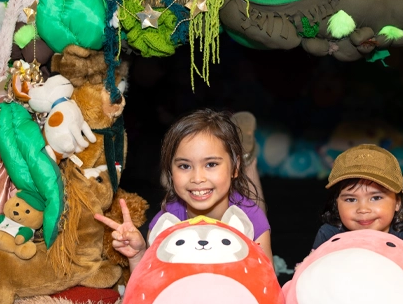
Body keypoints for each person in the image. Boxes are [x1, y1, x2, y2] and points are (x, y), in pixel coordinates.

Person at [96, 109, 272, 272]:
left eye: (211, 164)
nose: (197, 178)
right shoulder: (166, 223)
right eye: (184, 166)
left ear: (234, 167)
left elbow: (267, 287)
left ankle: (248, 161)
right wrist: (138, 256)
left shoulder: (252, 221)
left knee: (252, 205)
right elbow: (148, 291)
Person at [312, 144, 403, 258]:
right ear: (336, 203)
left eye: (376, 198)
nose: (363, 209)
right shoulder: (329, 235)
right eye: (351, 199)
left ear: (398, 202)